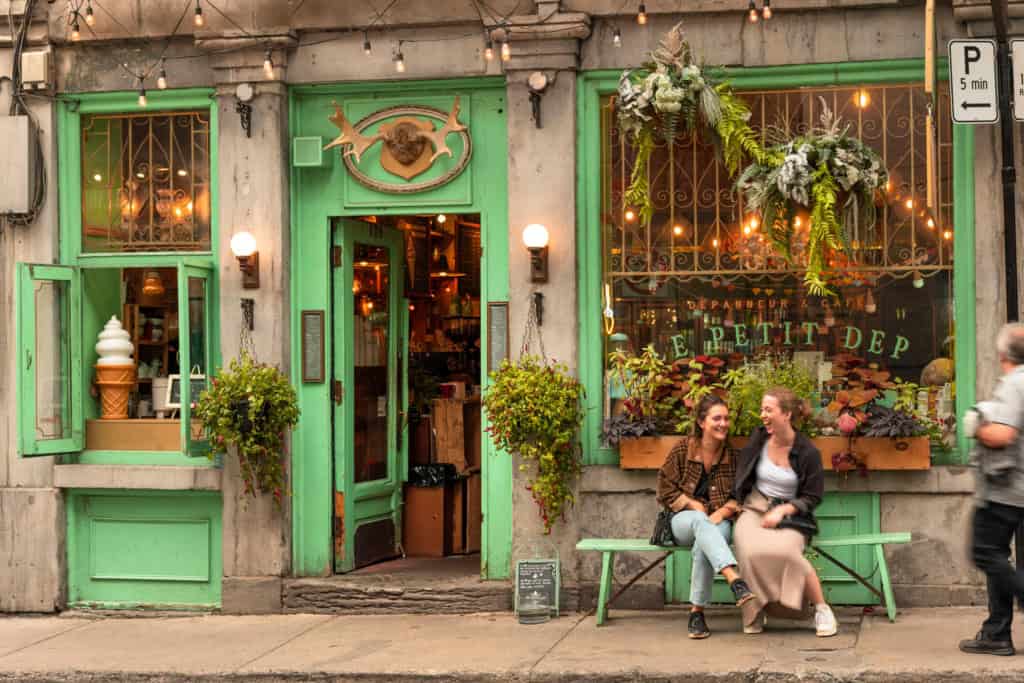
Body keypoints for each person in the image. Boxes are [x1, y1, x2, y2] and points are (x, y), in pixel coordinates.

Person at [732, 386, 838, 637]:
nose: (762, 415)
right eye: (761, 410)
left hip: (791, 513)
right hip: (754, 508)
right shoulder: (758, 438)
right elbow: (743, 472)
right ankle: (754, 613)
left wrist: (784, 510)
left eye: (768, 410)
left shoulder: (808, 452)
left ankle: (822, 609)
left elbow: (812, 496)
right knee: (748, 553)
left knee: (789, 553)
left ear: (787, 414)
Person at [656, 394, 755, 639]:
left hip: (717, 523)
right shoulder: (682, 449)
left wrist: (722, 511)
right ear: (702, 422)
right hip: (682, 521)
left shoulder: (733, 456)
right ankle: (734, 578)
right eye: (717, 418)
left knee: (705, 541)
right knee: (701, 523)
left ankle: (696, 614)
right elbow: (664, 489)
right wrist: (691, 504)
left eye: (726, 418)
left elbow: (742, 495)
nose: (723, 423)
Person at [959, 323, 1024, 657]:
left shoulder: (1015, 384)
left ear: (1002, 355)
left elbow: (1004, 434)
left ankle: (998, 631)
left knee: (986, 552)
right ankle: (997, 633)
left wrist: (978, 425)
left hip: (1006, 488)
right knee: (1004, 559)